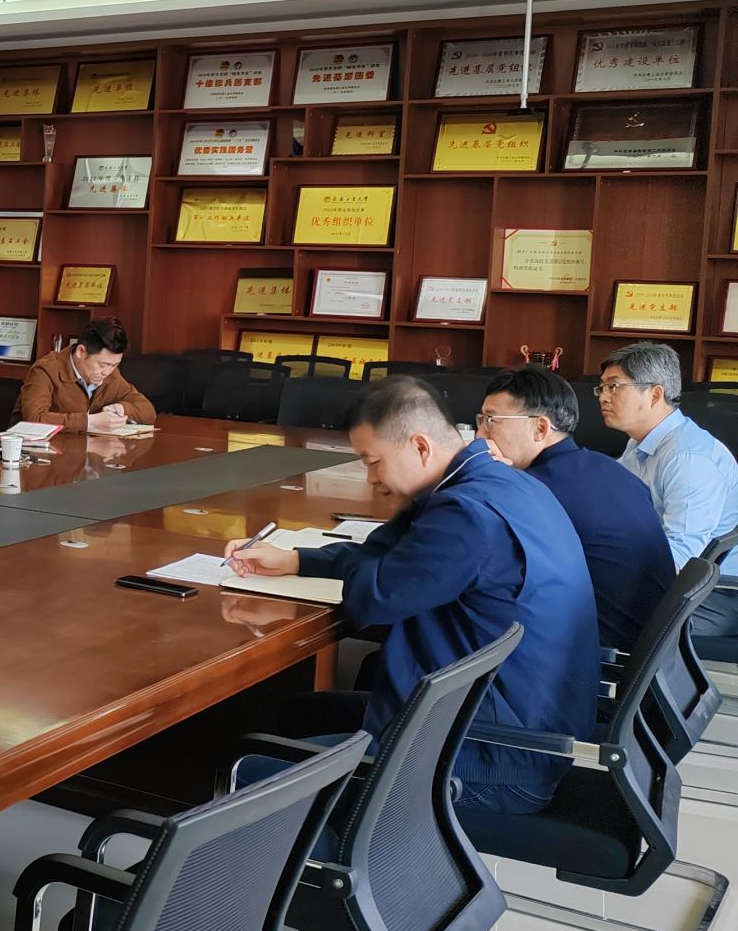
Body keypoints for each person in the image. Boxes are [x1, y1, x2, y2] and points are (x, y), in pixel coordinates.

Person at [226, 376, 595, 813]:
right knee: (301, 713)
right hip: (518, 727)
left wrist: (402, 517)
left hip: (481, 761)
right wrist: (298, 560)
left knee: (245, 770)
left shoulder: (465, 515)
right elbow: (395, 558)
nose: (370, 479)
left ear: (420, 447)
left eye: (373, 462)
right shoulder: (502, 481)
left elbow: (372, 598)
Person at [478, 365, 673, 650]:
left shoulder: (533, 491)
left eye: (491, 421)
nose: (479, 435)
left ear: (540, 428)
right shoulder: (610, 469)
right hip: (647, 647)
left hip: (597, 652)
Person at [598, 340, 738, 636]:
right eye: (602, 388)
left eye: (614, 387)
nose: (604, 397)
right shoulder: (641, 443)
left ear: (654, 394)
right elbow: (610, 500)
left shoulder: (688, 458)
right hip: (672, 581)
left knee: (581, 614)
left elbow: (681, 555)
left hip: (713, 595)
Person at [13, 318, 157, 433]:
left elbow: (148, 411)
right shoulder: (46, 370)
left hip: (83, 452)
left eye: (115, 365)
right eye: (103, 365)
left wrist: (122, 408)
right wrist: (90, 422)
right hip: (35, 455)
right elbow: (34, 418)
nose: (107, 372)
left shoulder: (111, 375)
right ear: (81, 352)